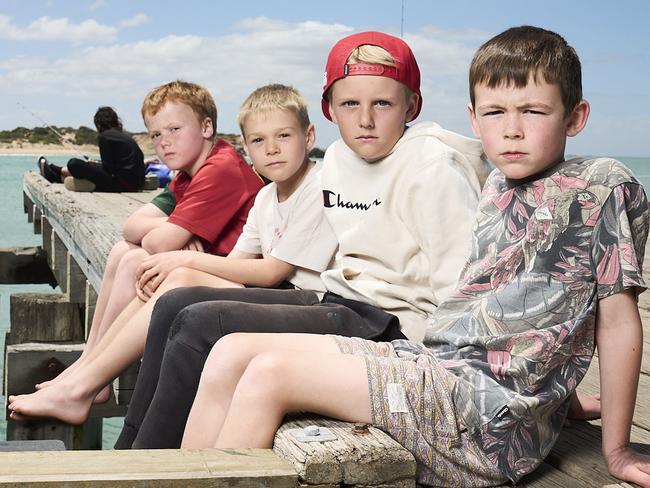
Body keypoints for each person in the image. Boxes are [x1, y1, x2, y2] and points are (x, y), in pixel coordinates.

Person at [179, 26, 650, 488]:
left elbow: (617, 321)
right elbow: (512, 318)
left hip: (485, 420)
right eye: (494, 112)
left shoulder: (602, 184)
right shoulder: (496, 186)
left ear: (575, 116)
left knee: (270, 374)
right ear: (472, 118)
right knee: (232, 350)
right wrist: (560, 394)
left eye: (533, 111)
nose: (511, 130)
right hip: (435, 368)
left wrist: (616, 449)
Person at [113, 30, 492, 449]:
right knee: (175, 304)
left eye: (382, 103)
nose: (365, 120)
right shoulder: (339, 159)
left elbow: (463, 290)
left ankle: (149, 460)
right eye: (350, 104)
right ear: (330, 109)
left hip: (395, 325)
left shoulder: (434, 169)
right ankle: (130, 451)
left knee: (202, 324)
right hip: (339, 298)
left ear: (412, 105)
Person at [6, 83, 337, 425]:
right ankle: (84, 375)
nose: (164, 141)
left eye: (175, 130)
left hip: (290, 298)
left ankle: (85, 384)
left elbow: (268, 272)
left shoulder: (239, 171)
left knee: (161, 269)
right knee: (138, 257)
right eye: (258, 141)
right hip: (248, 280)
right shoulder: (261, 195)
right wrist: (175, 244)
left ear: (309, 136)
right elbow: (137, 230)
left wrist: (182, 254)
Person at [38, 106, 145, 192]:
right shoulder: (123, 137)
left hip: (124, 184)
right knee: (88, 165)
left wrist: (93, 165)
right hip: (134, 184)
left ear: (98, 124)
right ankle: (55, 174)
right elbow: (114, 166)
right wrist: (95, 164)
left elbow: (108, 168)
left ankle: (56, 171)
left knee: (74, 163)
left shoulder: (105, 136)